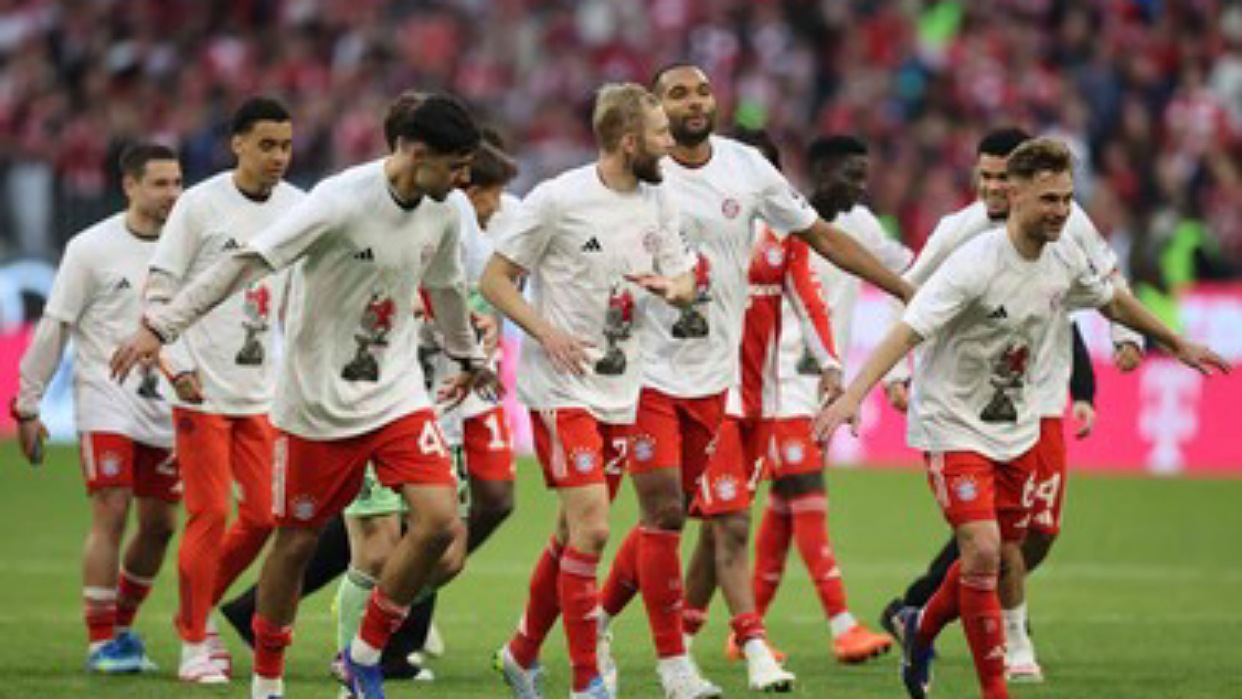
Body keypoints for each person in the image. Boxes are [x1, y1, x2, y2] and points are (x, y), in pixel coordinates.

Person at [110, 92, 491, 699]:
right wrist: (162, 326)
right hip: (316, 407)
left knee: (441, 524)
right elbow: (246, 264)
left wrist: (468, 356)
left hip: (396, 394)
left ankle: (363, 655)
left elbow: (445, 289)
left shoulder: (444, 210)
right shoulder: (339, 202)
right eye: (456, 165)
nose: (464, 179)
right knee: (295, 542)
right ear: (417, 153)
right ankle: (267, 680)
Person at [816, 138, 1228, 699]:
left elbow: (1110, 299)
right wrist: (855, 394)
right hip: (952, 422)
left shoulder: (1064, 256)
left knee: (994, 555)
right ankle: (997, 688)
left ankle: (920, 625)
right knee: (985, 550)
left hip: (1017, 428)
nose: (1061, 211)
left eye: (1067, 199)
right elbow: (907, 329)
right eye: (1049, 200)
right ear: (1015, 196)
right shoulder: (973, 263)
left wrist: (1175, 342)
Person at [595, 62, 913, 699]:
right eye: (678, 93)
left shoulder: (747, 170)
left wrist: (902, 290)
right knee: (710, 519)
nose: (694, 101)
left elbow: (820, 242)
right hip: (652, 375)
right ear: (654, 108)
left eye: (702, 90)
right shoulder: (639, 176)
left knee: (680, 517)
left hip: (729, 385)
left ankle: (601, 622)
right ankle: (741, 647)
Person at [876, 127, 1142, 683]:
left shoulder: (1064, 224)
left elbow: (1096, 289)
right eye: (986, 177)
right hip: (969, 409)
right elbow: (909, 296)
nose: (993, 188)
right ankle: (1013, 639)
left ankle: (921, 609)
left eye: (1003, 177)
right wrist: (896, 373)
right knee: (989, 541)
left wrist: (1108, 360)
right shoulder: (959, 233)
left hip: (1039, 400)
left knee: (1035, 534)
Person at [481, 82, 695, 699]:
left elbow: (685, 280)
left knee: (570, 534)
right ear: (629, 142)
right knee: (595, 530)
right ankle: (587, 682)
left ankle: (521, 651)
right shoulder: (558, 200)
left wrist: (674, 289)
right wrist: (545, 331)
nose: (669, 142)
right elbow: (495, 280)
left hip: (622, 390)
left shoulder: (662, 200)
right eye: (660, 133)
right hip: (562, 389)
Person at [146, 96, 304, 685]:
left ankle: (196, 609)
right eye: (266, 145)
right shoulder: (199, 205)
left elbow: (301, 297)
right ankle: (194, 645)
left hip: (263, 391)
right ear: (237, 144)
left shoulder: (299, 208)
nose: (278, 157)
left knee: (263, 517)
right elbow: (159, 290)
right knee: (210, 513)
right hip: (201, 390)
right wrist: (176, 364)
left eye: (286, 146)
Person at [13, 143, 183, 673]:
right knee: (112, 508)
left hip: (168, 406)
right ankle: (99, 640)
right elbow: (56, 324)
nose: (173, 194)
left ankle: (123, 630)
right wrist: (28, 405)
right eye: (160, 183)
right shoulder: (91, 247)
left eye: (178, 183)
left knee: (160, 525)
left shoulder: (189, 246)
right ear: (130, 186)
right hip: (106, 398)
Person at [678, 128, 830, 692]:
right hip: (708, 394)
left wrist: (831, 364)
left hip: (760, 403)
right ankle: (756, 647)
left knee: (710, 530)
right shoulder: (698, 225)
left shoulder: (785, 237)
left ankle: (671, 637)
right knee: (733, 524)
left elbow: (808, 298)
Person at [740, 134, 901, 665]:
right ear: (821, 170)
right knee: (807, 495)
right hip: (781, 384)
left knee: (785, 509)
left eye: (864, 175)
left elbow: (906, 269)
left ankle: (746, 631)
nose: (861, 185)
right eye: (852, 174)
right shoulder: (783, 221)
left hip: (822, 391)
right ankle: (842, 625)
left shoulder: (863, 226)